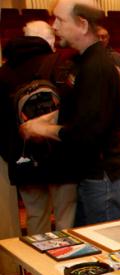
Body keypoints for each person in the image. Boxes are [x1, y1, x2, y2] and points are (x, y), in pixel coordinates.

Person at [20, 0, 120, 275]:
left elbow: (87, 131)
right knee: (98, 256)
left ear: (82, 24)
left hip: (104, 176)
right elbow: (76, 112)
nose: (54, 26)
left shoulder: (98, 65)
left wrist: (44, 130)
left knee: (107, 260)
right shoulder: (86, 62)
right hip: (96, 175)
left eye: (59, 19)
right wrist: (47, 121)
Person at [0, 20, 76, 236]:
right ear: (49, 40)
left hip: (24, 157)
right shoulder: (61, 65)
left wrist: (13, 151)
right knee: (66, 218)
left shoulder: (3, 73)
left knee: (36, 217)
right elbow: (74, 113)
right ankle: (66, 266)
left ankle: (38, 266)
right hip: (61, 156)